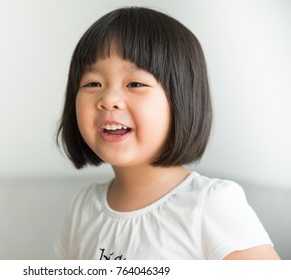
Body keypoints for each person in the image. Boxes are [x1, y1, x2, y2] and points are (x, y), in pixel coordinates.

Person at [55, 7, 280, 260]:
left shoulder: (210, 205)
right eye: (92, 83)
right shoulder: (82, 208)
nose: (109, 100)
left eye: (135, 84)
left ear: (181, 100)